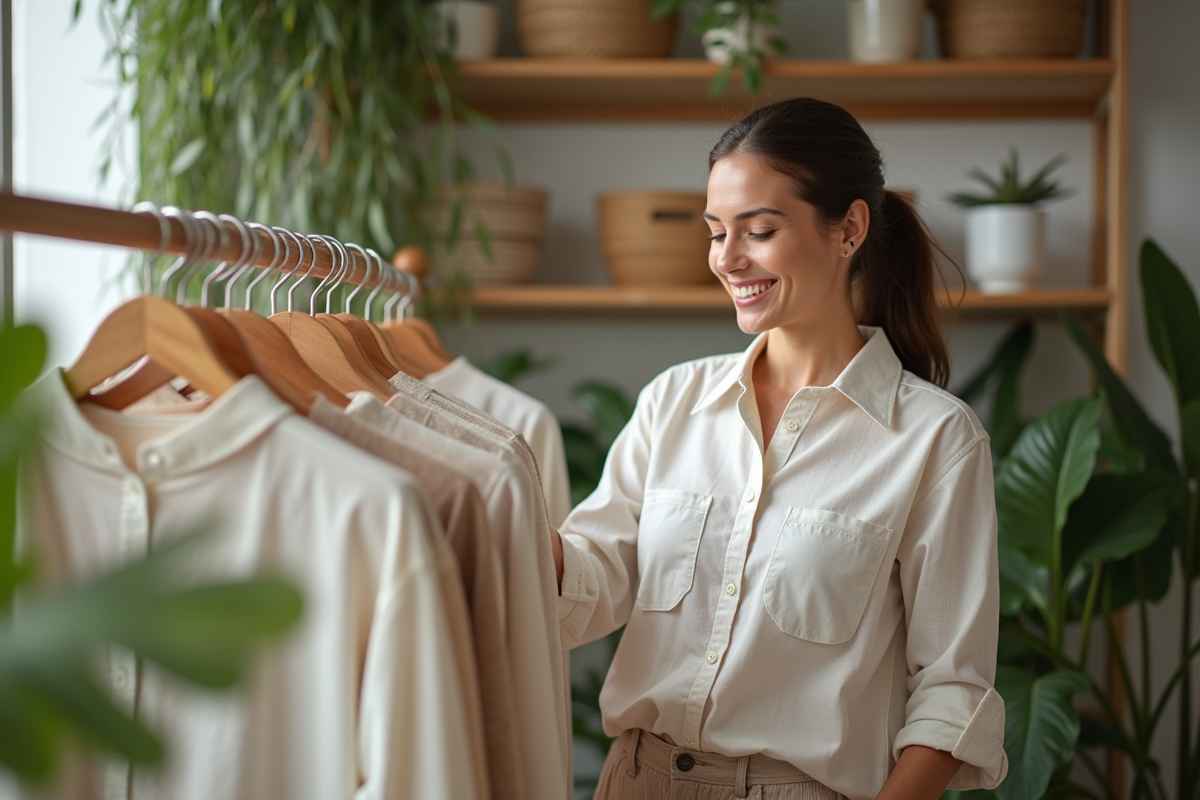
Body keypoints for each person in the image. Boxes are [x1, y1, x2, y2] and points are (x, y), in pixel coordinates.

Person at [550, 97, 1008, 800]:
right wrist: (503, 513)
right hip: (636, 781)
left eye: (758, 231)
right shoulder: (673, 402)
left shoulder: (935, 440)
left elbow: (953, 691)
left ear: (849, 229)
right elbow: (593, 580)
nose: (727, 259)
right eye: (715, 232)